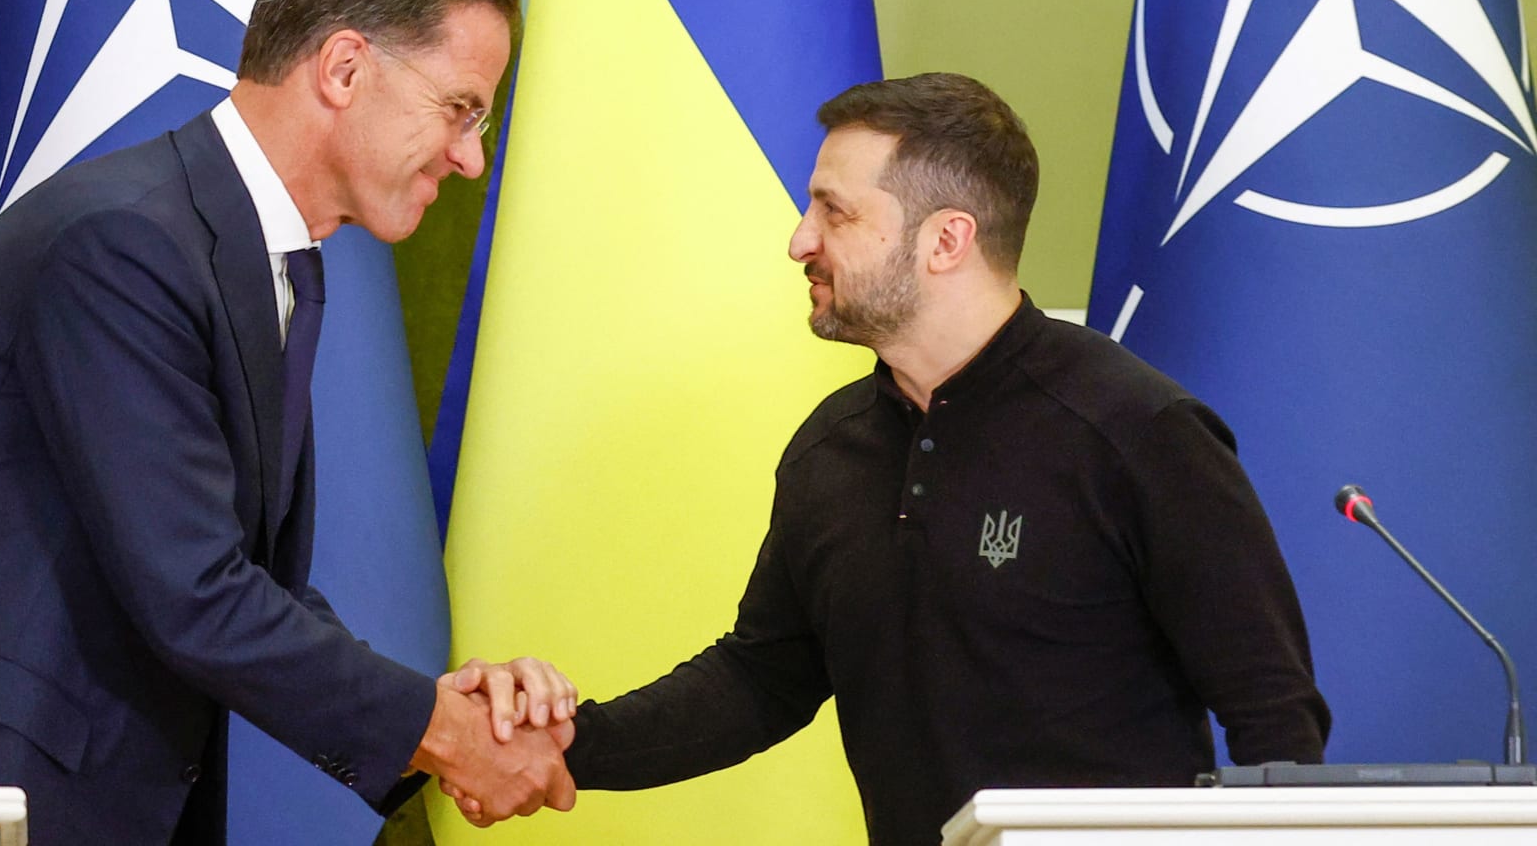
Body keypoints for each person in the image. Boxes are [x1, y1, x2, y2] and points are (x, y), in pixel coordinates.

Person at [0, 0, 577, 844]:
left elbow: (244, 578)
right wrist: (443, 733)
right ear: (343, 67)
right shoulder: (123, 244)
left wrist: (435, 710)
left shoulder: (265, 259)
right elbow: (197, 592)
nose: (469, 156)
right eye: (458, 109)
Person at [443, 73, 1331, 844]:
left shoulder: (1138, 431)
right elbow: (760, 678)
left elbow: (1275, 721)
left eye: (834, 210)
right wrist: (562, 744)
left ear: (946, 240)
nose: (800, 240)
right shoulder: (832, 449)